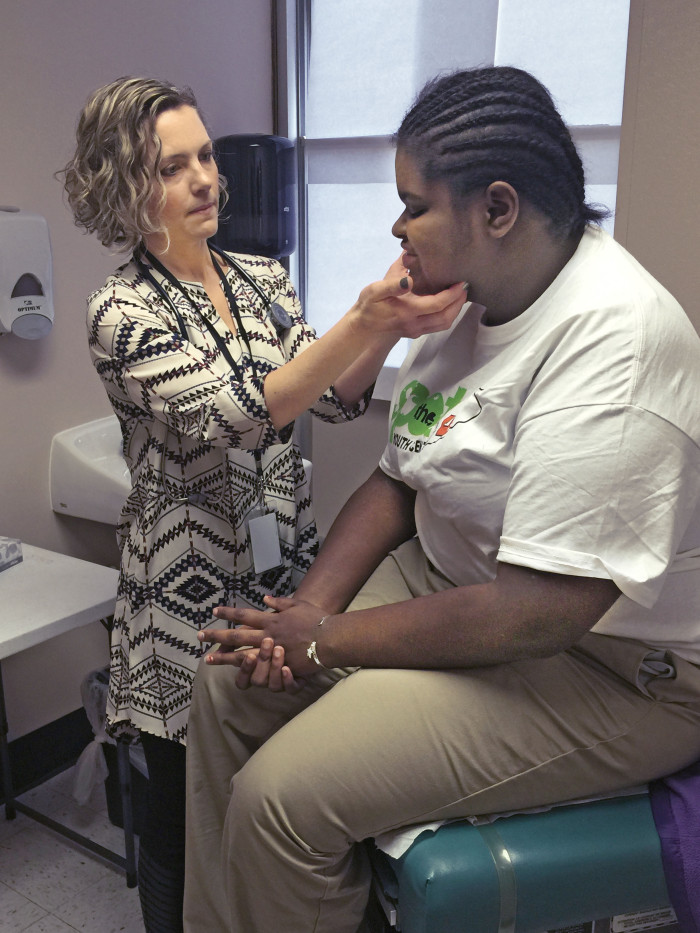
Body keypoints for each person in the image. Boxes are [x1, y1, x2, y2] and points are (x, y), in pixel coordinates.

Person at [184, 65, 700, 933]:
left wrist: (327, 639)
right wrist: (304, 610)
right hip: (454, 582)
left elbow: (542, 612)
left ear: (496, 210)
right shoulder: (468, 302)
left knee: (284, 799)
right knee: (231, 685)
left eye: (414, 203)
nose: (397, 224)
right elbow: (398, 477)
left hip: (608, 665)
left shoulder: (616, 341)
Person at [58, 76, 465, 933]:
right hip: (180, 592)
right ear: (124, 189)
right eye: (173, 167)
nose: (205, 178)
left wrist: (388, 327)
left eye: (205, 155)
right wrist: (363, 318)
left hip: (285, 572)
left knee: (274, 780)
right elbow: (235, 412)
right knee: (179, 809)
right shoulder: (117, 309)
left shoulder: (259, 279)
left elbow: (333, 399)